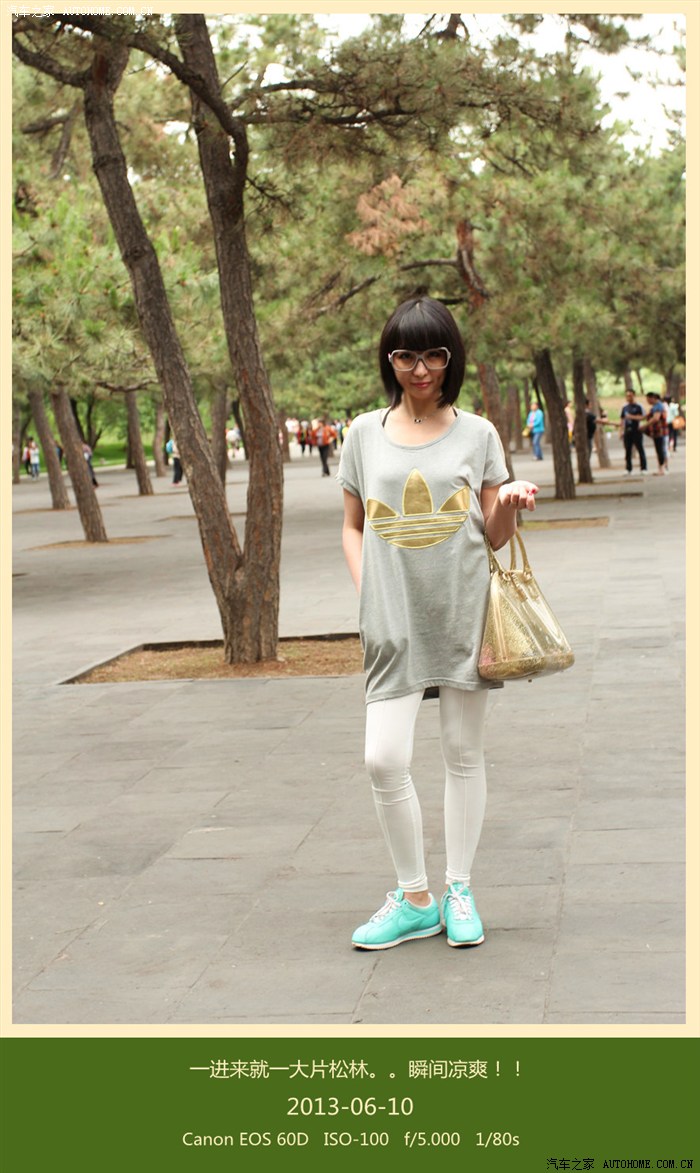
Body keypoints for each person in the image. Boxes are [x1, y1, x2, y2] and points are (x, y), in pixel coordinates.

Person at [337, 296, 538, 951]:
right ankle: (414, 897)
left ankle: (458, 888)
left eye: (433, 354)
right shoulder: (363, 433)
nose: (420, 368)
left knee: (462, 753)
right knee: (383, 758)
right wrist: (369, 595)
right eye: (405, 355)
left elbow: (495, 536)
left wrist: (509, 502)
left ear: (451, 358)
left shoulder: (478, 434)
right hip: (392, 620)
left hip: (462, 610)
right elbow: (352, 526)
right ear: (388, 359)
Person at [619, 389, 648, 475]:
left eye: (630, 396)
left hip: (637, 430)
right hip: (627, 430)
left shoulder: (639, 406)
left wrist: (631, 417)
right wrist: (621, 431)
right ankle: (628, 468)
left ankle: (643, 468)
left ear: (634, 396)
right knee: (627, 450)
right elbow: (622, 420)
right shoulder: (624, 407)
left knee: (640, 449)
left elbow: (643, 417)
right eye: (627, 396)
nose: (628, 397)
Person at [643, 392, 669, 475]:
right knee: (660, 450)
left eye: (648, 399)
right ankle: (663, 468)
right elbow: (646, 416)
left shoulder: (658, 406)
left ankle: (662, 469)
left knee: (660, 450)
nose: (647, 401)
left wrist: (644, 426)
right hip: (657, 432)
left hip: (659, 431)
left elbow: (656, 418)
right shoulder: (655, 407)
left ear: (653, 398)